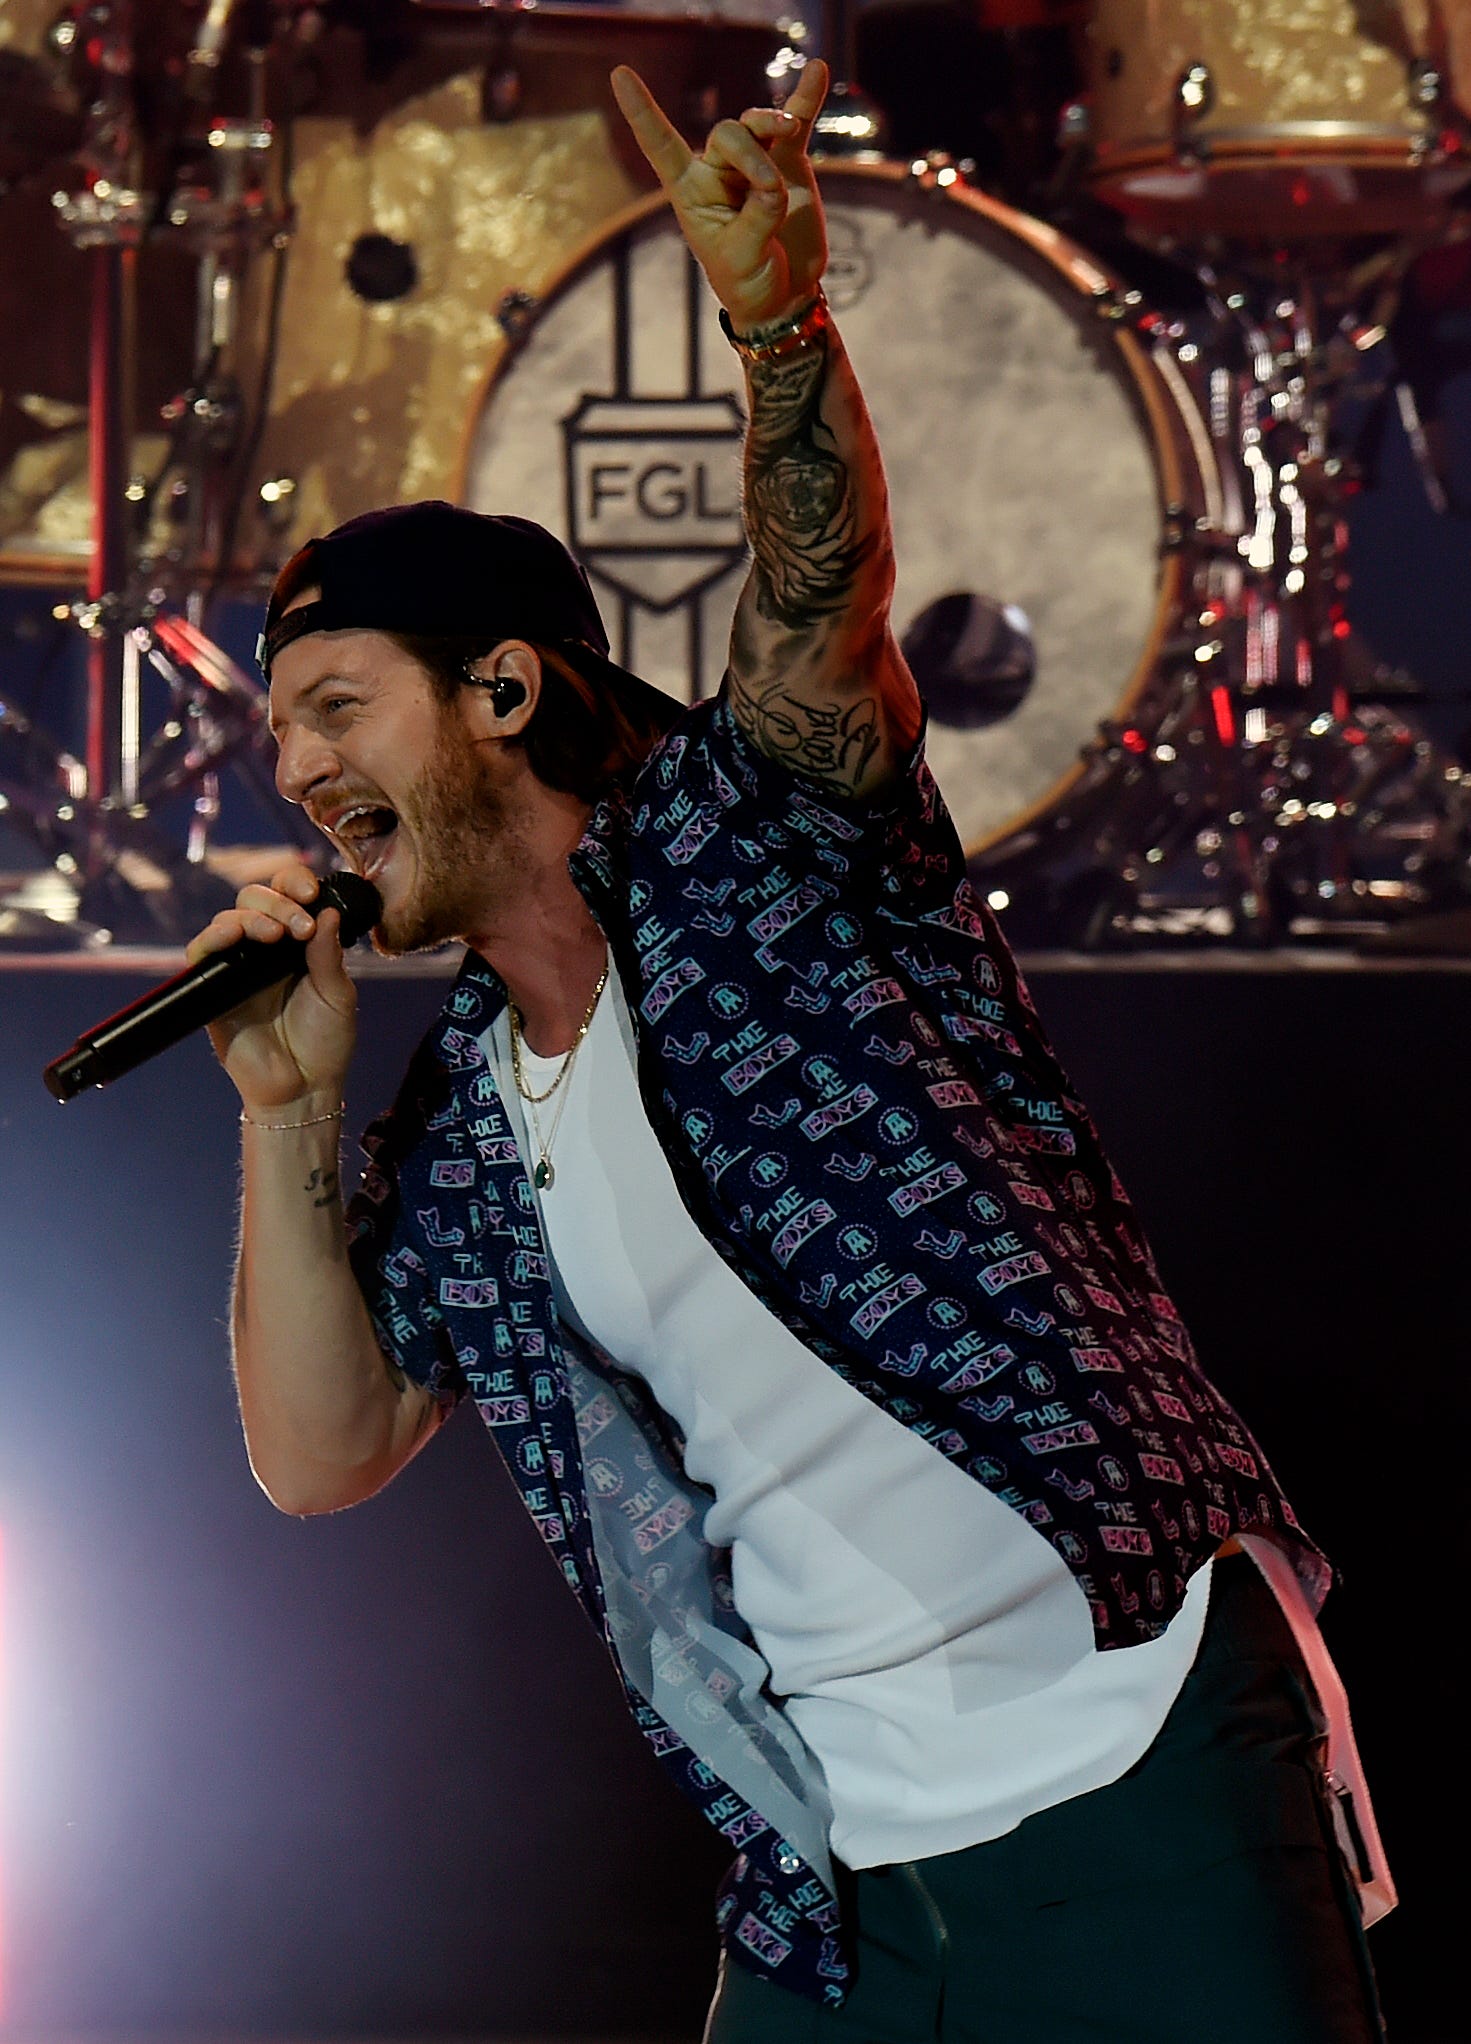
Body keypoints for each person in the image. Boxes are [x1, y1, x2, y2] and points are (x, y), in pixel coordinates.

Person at [188, 59, 1395, 2044]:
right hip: (837, 1873)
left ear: (503, 688)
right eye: (277, 736)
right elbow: (318, 1452)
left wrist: (776, 323)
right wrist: (288, 1110)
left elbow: (818, 617)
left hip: (1135, 1739)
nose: (301, 770)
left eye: (335, 705)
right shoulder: (473, 1118)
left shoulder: (761, 852)